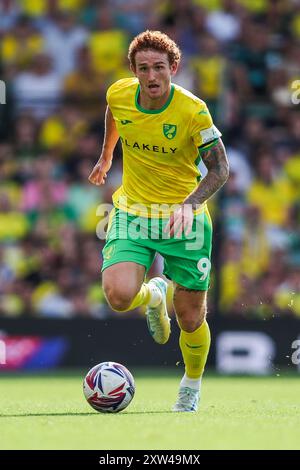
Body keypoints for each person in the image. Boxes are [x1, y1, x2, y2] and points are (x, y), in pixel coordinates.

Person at [89, 30, 229, 412]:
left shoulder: (192, 110)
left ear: (174, 67)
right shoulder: (119, 93)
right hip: (134, 211)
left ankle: (191, 384)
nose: (152, 77)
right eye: (144, 69)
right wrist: (106, 155)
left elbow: (220, 169)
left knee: (189, 317)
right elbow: (114, 113)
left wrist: (189, 203)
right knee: (118, 297)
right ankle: (153, 294)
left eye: (159, 68)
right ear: (134, 71)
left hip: (184, 218)